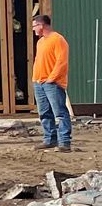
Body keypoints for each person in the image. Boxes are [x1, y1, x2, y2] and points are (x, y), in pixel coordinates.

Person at [31, 12, 72, 153]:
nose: (33, 29)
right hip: (39, 82)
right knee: (44, 113)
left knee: (59, 112)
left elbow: (61, 62)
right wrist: (35, 79)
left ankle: (64, 142)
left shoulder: (58, 39)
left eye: (34, 26)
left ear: (41, 25)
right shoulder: (40, 42)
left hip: (52, 83)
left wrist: (51, 79)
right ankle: (50, 139)